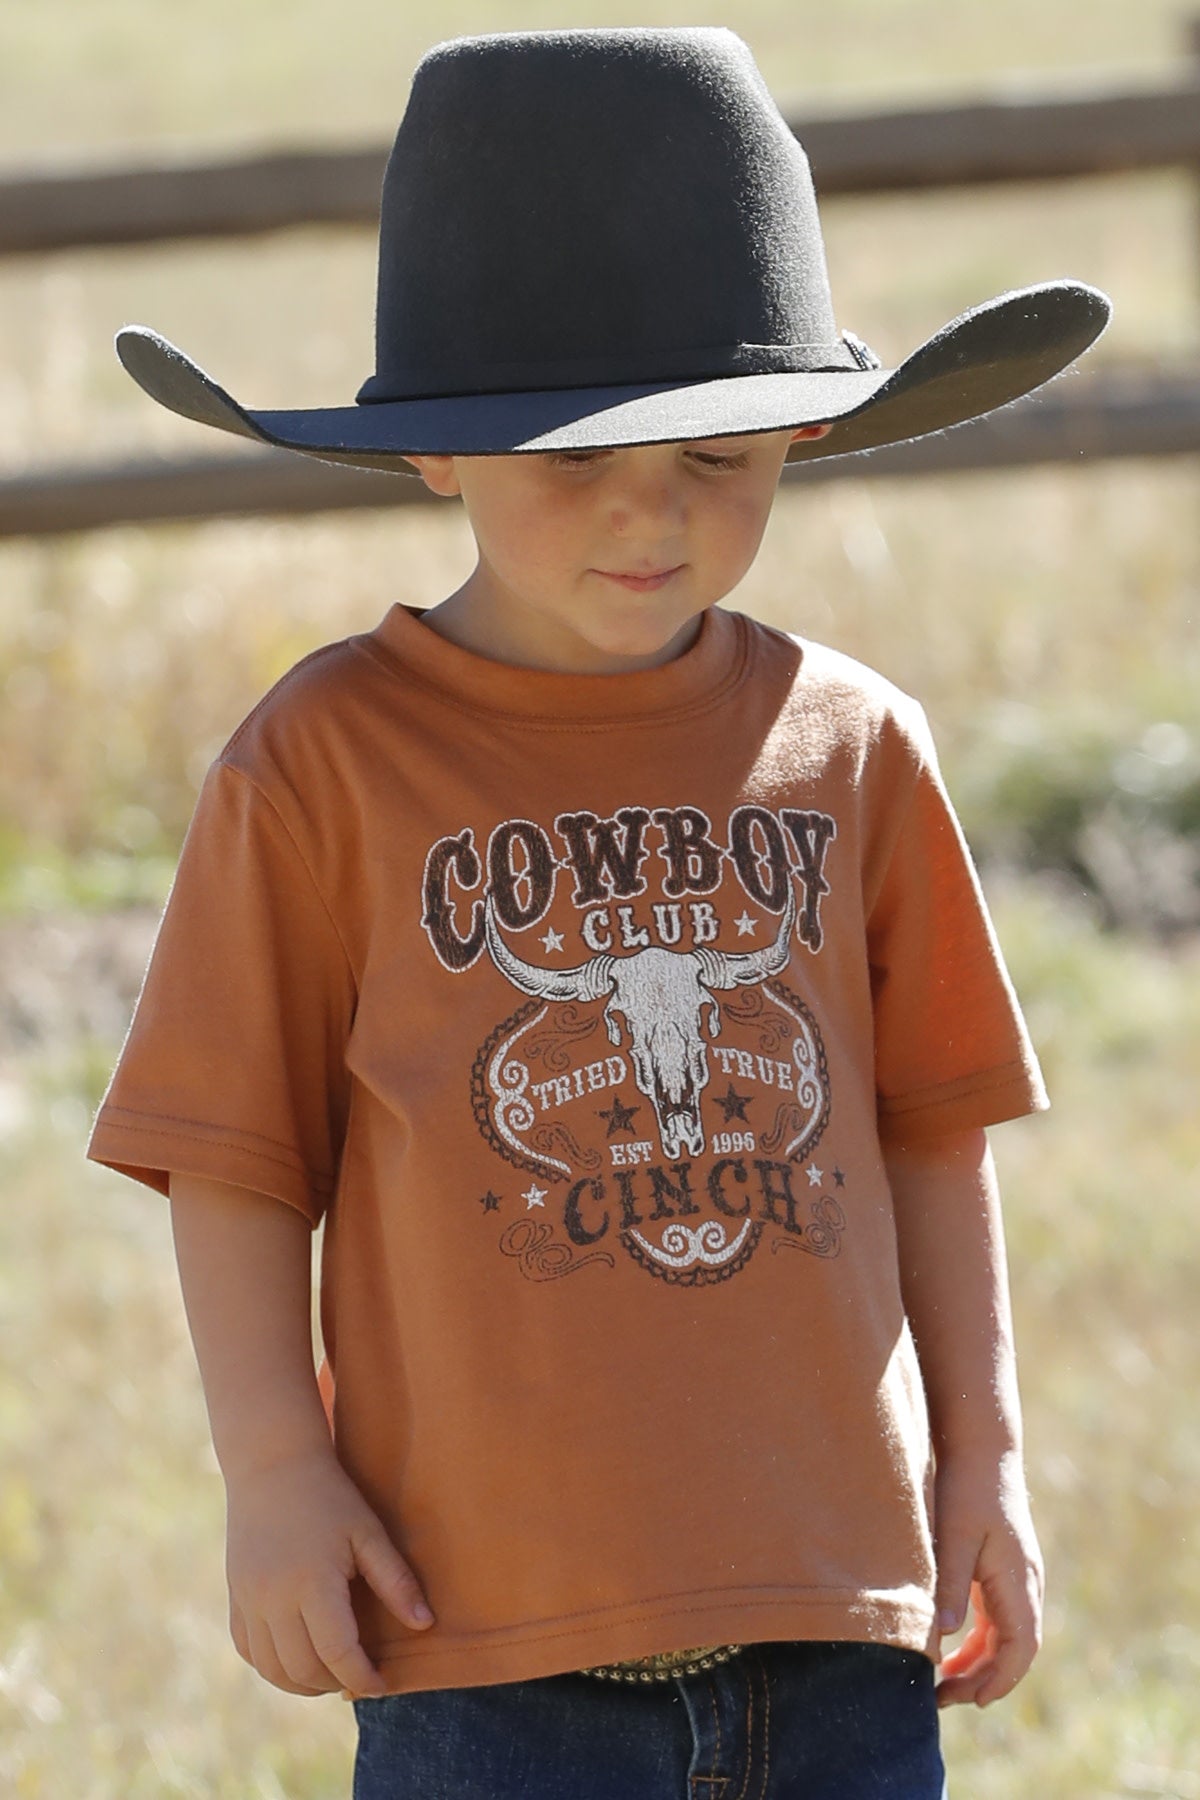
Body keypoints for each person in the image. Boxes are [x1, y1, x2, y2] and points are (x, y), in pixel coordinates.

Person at [87, 27, 1111, 1800]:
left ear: (799, 430)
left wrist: (985, 1466)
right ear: (435, 457)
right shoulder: (321, 763)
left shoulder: (853, 746)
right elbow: (234, 1156)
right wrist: (275, 1469)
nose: (653, 514)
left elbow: (935, 1137)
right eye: (571, 457)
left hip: (836, 1634)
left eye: (721, 457)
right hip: (487, 1658)